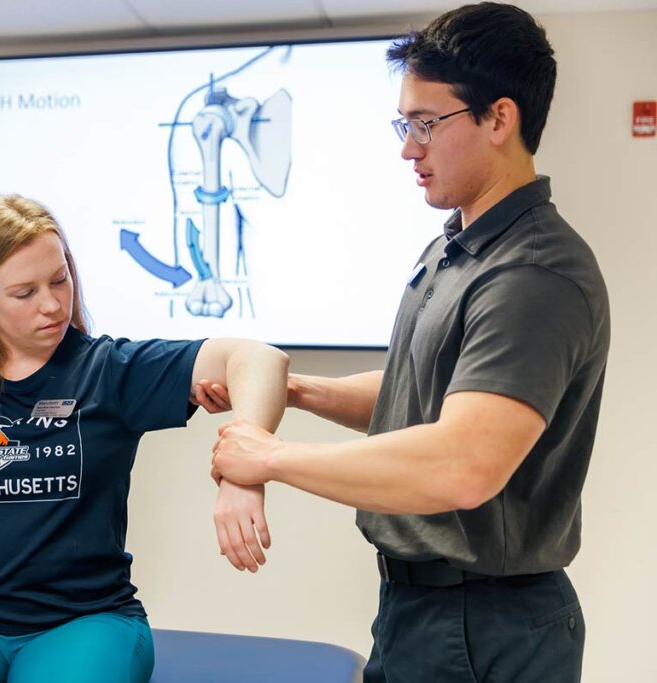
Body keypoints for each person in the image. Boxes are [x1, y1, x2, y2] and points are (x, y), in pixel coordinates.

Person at [206, 3, 610, 681]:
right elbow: (419, 393)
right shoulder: (456, 247)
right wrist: (298, 390)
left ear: (499, 119)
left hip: (484, 624)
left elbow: (462, 463)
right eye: (404, 124)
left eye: (426, 124)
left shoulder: (533, 273)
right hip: (419, 611)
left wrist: (270, 458)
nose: (408, 148)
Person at [0, 194, 288, 683]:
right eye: (24, 292)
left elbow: (259, 359)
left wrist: (245, 472)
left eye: (59, 279)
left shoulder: (110, 371)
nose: (52, 304)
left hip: (86, 622)